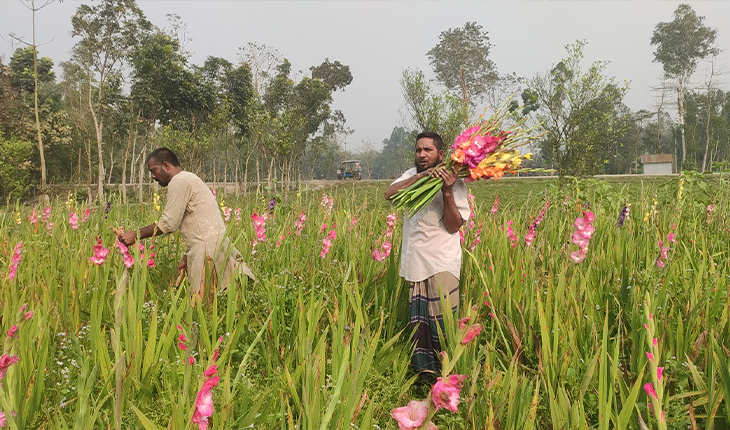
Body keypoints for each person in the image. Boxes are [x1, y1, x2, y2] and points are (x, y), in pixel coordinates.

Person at [384, 131, 470, 380]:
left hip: (441, 261)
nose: (422, 154)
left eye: (428, 150)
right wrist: (421, 177)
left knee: (441, 323)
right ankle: (424, 377)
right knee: (419, 324)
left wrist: (447, 191)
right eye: (418, 150)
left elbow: (454, 226)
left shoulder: (455, 181)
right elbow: (388, 194)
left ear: (440, 154)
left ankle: (447, 378)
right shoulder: (412, 175)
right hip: (415, 262)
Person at [118, 147, 254, 302]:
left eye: (154, 170)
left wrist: (135, 235)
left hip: (207, 252)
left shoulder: (179, 181)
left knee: (204, 308)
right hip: (216, 246)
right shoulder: (189, 178)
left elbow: (168, 224)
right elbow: (201, 224)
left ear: (166, 165)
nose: (153, 176)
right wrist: (187, 257)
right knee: (225, 303)